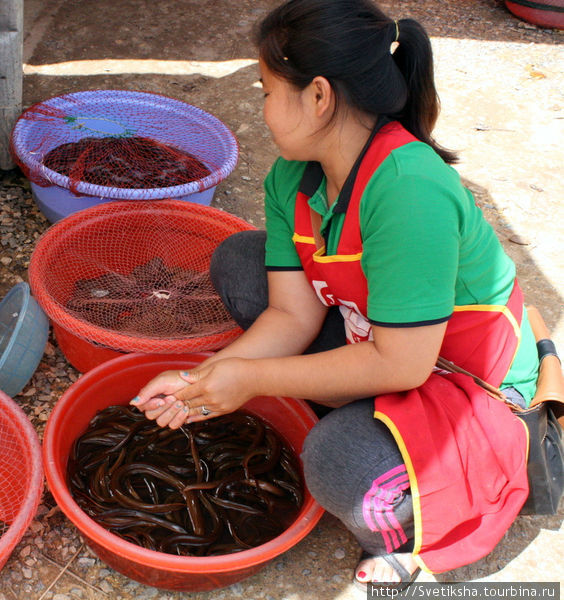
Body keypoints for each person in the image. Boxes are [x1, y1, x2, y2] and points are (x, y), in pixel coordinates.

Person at [130, 0, 539, 590]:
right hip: (375, 333)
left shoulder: (409, 191)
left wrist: (252, 380)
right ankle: (348, 407)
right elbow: (292, 312)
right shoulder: (292, 176)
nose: (263, 109)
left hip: (459, 378)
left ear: (318, 96)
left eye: (266, 91)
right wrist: (204, 377)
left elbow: (403, 363)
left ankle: (427, 514)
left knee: (337, 462)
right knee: (242, 262)